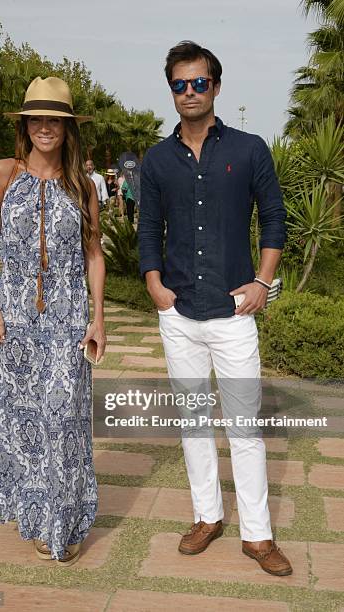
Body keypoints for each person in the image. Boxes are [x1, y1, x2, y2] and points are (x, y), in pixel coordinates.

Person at [138, 40, 292, 576]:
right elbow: (148, 228)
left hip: (233, 314)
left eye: (199, 82)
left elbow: (274, 219)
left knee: (243, 425)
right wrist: (154, 284)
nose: (189, 92)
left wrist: (262, 283)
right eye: (179, 84)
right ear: (171, 91)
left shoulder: (249, 150)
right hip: (178, 314)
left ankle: (258, 534)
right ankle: (208, 516)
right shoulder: (157, 159)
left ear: (216, 86)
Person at [0, 76, 106, 566]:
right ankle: (35, 516)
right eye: (37, 119)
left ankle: (65, 520)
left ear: (68, 128)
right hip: (15, 317)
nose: (45, 127)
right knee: (23, 419)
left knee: (65, 417)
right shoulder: (3, 175)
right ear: (25, 124)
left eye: (55, 119)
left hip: (69, 316)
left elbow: (94, 255)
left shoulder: (83, 184)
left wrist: (99, 317)